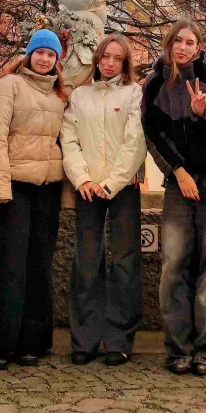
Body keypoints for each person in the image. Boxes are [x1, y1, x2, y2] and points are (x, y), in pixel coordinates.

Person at [141, 19, 206, 376]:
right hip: (178, 180)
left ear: (199, 47)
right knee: (174, 264)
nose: (184, 47)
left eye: (191, 42)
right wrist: (178, 171)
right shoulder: (155, 83)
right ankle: (178, 348)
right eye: (178, 41)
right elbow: (152, 134)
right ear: (169, 44)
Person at [0, 29, 69, 370]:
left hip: (46, 189)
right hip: (15, 187)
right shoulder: (9, 86)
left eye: (52, 55)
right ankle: (0, 346)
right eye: (40, 52)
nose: (45, 59)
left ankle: (30, 343)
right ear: (30, 54)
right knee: (10, 267)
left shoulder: (61, 94)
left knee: (39, 266)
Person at [61, 33, 147, 367]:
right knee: (86, 261)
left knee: (124, 262)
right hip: (87, 188)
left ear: (125, 63)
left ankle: (119, 339)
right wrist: (82, 178)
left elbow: (135, 142)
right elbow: (69, 140)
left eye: (116, 58)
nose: (109, 63)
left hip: (122, 188)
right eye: (105, 57)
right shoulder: (80, 96)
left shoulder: (134, 93)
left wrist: (111, 183)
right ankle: (84, 339)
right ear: (97, 59)